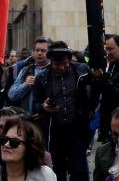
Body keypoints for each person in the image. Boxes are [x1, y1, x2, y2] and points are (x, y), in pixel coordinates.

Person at [32, 42, 93, 181]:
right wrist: (44, 107)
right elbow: (36, 104)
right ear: (51, 61)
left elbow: (94, 90)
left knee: (79, 172)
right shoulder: (42, 78)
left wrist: (90, 109)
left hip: (77, 130)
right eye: (57, 64)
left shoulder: (82, 71)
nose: (61, 68)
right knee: (57, 171)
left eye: (65, 63)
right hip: (54, 133)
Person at [0, 116, 54, 181]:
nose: (6, 145)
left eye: (14, 142)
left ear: (30, 147)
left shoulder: (45, 176)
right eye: (4, 140)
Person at [8, 38, 51, 113]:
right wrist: (25, 85)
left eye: (43, 51)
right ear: (33, 53)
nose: (39, 53)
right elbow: (11, 95)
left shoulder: (54, 70)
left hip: (47, 119)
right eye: (37, 50)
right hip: (28, 118)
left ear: (49, 53)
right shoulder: (26, 70)